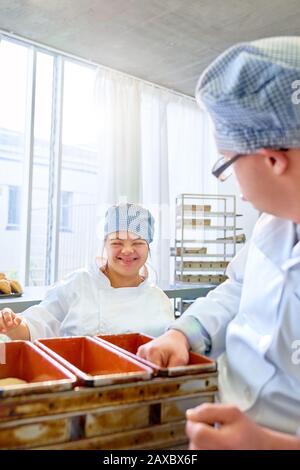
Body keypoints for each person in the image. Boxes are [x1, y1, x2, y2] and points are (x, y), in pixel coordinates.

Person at [138, 37, 300, 449]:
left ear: (272, 159)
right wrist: (183, 334)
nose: (239, 191)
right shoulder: (272, 226)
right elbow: (238, 291)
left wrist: (269, 446)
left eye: (227, 165)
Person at [0, 203, 174, 340]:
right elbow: (36, 326)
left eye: (137, 243)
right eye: (117, 243)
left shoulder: (159, 300)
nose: (127, 250)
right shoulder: (78, 284)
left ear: (148, 247)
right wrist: (13, 325)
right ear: (105, 244)